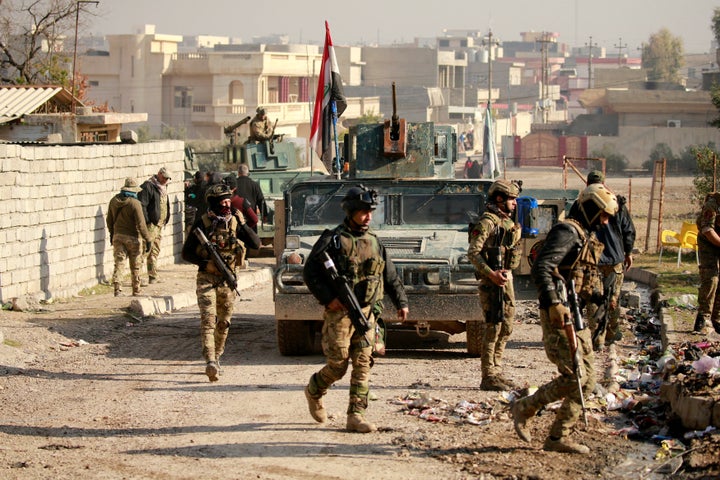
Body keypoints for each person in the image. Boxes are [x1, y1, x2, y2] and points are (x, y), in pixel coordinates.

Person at [511, 183, 618, 454]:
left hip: (576, 313)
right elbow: (542, 268)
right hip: (559, 314)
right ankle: (525, 408)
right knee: (574, 377)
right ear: (591, 209)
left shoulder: (584, 235)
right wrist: (554, 304)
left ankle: (558, 437)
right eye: (603, 215)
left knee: (588, 379)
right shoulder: (567, 231)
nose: (605, 221)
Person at [302, 185, 409, 433]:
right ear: (350, 212)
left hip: (366, 313)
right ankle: (314, 389)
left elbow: (390, 275)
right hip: (339, 314)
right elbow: (310, 273)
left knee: (363, 363)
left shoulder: (374, 241)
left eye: (370, 211)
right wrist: (328, 299)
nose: (368, 216)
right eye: (363, 211)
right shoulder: (333, 240)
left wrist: (401, 302)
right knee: (338, 366)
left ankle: (356, 415)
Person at [181, 183, 261, 381]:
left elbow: (256, 244)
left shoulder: (234, 222)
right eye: (223, 201)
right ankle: (210, 361)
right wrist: (205, 264)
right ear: (214, 203)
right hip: (206, 278)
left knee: (224, 322)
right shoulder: (202, 224)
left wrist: (242, 224)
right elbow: (186, 253)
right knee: (208, 321)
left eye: (229, 200)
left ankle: (217, 356)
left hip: (227, 280)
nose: (227, 204)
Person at [468, 179, 523, 391]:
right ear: (499, 199)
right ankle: (488, 375)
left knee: (507, 326)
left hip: (505, 280)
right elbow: (473, 253)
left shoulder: (506, 221)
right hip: (492, 282)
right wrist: (491, 274)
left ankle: (497, 370)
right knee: (493, 326)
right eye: (511, 199)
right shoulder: (488, 222)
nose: (515, 203)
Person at [580, 171, 636, 349]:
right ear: (604, 184)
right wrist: (628, 252)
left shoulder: (580, 203)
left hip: (592, 261)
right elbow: (628, 230)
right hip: (614, 259)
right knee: (612, 299)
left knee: (593, 299)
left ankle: (598, 338)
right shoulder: (616, 203)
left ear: (587, 184)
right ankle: (612, 334)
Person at [106, 178, 154, 297]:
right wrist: (148, 239)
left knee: (119, 263)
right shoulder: (135, 203)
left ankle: (117, 289)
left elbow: (109, 220)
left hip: (118, 236)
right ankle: (136, 289)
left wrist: (112, 234)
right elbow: (141, 224)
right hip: (133, 237)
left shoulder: (113, 201)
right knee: (135, 264)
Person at [138, 167, 171, 284]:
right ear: (159, 174)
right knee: (144, 250)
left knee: (154, 251)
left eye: (167, 178)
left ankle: (153, 275)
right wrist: (147, 221)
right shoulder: (148, 186)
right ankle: (137, 277)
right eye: (164, 177)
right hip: (151, 225)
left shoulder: (162, 188)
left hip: (159, 225)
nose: (165, 180)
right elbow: (142, 205)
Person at [694, 191, 720, 334]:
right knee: (711, 278)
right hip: (708, 242)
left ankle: (717, 319)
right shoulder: (712, 205)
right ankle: (703, 317)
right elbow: (708, 230)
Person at [236, 163, 266, 231]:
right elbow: (261, 200)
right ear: (247, 173)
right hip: (251, 217)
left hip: (236, 218)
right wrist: (264, 215)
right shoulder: (255, 185)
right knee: (251, 237)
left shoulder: (234, 185)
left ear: (238, 173)